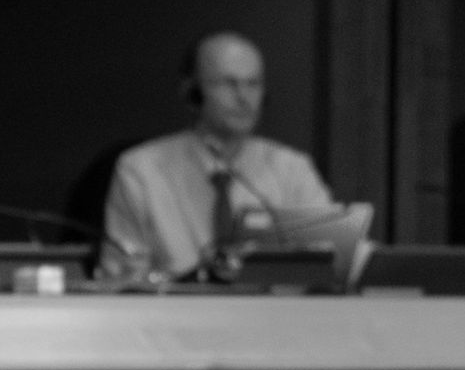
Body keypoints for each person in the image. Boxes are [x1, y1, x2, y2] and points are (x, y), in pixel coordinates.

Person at [100, 30, 334, 281]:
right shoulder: (141, 170)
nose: (244, 98)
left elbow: (333, 256)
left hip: (273, 314)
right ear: (193, 92)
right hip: (175, 315)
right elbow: (119, 277)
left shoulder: (292, 168)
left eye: (253, 84)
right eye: (228, 84)